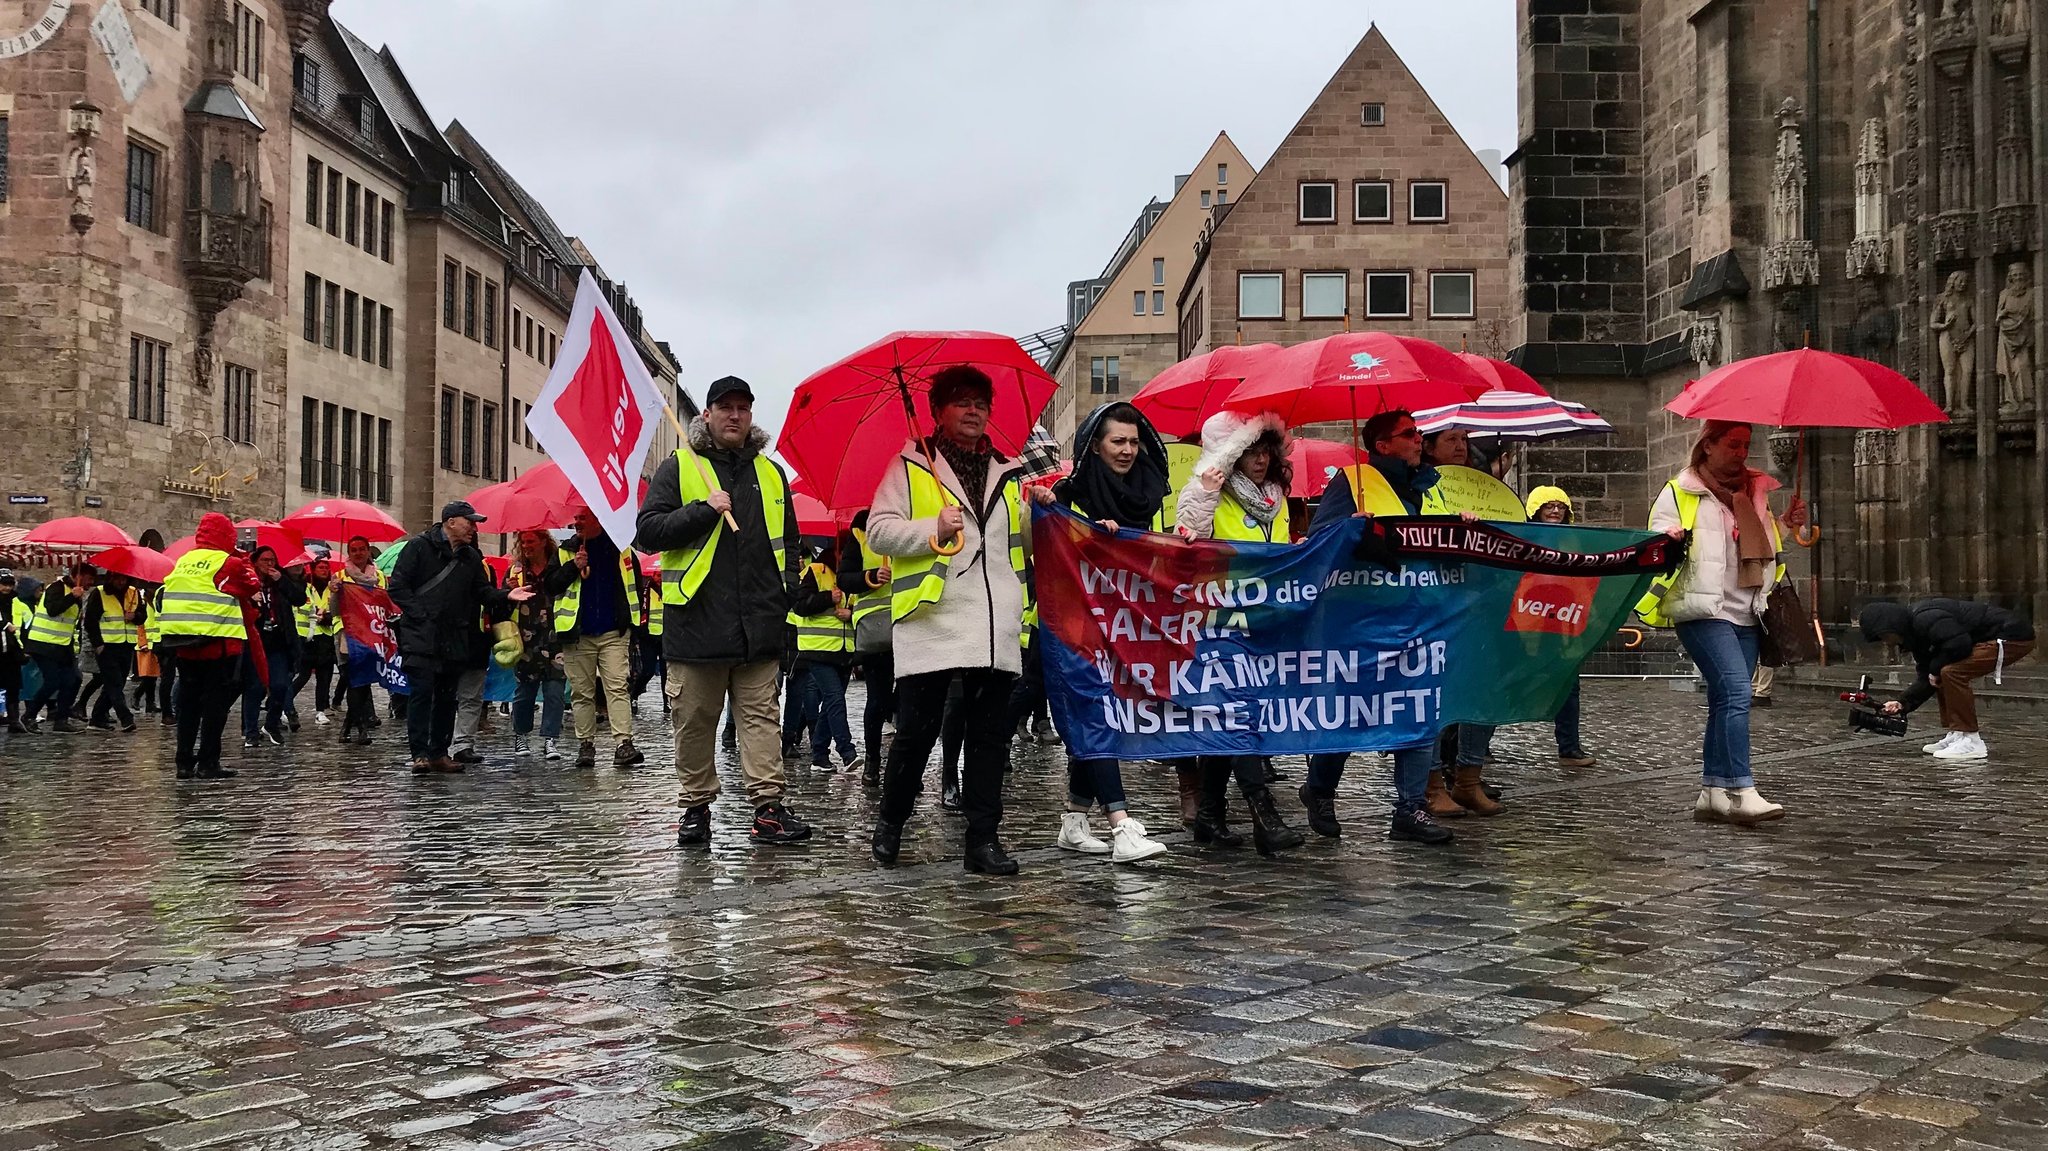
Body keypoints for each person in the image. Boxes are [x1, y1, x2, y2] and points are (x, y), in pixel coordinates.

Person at [867, 365, 1032, 875]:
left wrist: (1037, 507)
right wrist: (929, 528)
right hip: (931, 618)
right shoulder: (911, 466)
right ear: (938, 412)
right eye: (961, 401)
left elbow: (1015, 543)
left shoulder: (1008, 472)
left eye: (981, 402)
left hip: (992, 624)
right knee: (916, 733)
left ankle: (982, 840)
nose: (973, 410)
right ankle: (891, 822)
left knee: (989, 739)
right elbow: (879, 533)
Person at [636, 375, 811, 846]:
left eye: (744, 407)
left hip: (759, 624)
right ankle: (695, 809)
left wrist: (786, 592)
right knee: (694, 722)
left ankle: (768, 808)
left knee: (761, 719)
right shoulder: (680, 466)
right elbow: (648, 531)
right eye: (726, 407)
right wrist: (702, 509)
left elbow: (790, 542)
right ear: (707, 414)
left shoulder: (770, 473)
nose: (735, 415)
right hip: (696, 624)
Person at [1299, 410, 1455, 845]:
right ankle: (1320, 790)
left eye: (1419, 432)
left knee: (1419, 707)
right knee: (1350, 710)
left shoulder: (1428, 486)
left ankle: (1410, 808)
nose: (1419, 439)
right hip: (1359, 618)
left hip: (1414, 612)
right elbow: (1320, 539)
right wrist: (1354, 529)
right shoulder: (1353, 481)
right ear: (1382, 445)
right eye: (1409, 434)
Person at [1640, 420, 1806, 825]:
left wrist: (1784, 522)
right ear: (1708, 445)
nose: (1740, 453)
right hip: (1701, 607)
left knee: (1722, 698)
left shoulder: (1755, 491)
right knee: (1735, 691)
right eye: (1732, 444)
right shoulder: (1681, 490)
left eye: (1746, 445)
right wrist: (1671, 538)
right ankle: (1741, 787)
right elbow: (1654, 540)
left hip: (1747, 608)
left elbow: (1763, 547)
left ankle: (1713, 791)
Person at [1175, 409, 1308, 855]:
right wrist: (1205, 494)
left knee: (1231, 715)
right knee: (1237, 715)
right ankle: (1262, 811)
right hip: (1220, 621)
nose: (1260, 460)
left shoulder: (1277, 498)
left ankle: (1210, 814)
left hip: (1265, 621)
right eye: (1249, 451)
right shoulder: (1212, 491)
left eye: (1265, 451)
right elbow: (1189, 538)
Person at [1043, 402, 1171, 863]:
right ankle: (1121, 824)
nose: (1128, 450)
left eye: (1134, 442)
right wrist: (1086, 533)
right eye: (1117, 441)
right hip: (1075, 625)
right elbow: (1046, 545)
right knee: (1096, 712)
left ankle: (1076, 820)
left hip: (1124, 624)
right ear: (1094, 445)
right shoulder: (1068, 493)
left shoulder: (1149, 490)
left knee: (1095, 713)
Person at [387, 501, 532, 773]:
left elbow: (482, 592)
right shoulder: (419, 547)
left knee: (446, 696)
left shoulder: (471, 557)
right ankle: (419, 753)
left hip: (454, 636)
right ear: (451, 522)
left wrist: (506, 595)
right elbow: (398, 587)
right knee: (421, 693)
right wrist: (422, 615)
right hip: (421, 635)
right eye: (470, 522)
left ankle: (439, 753)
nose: (474, 528)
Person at [1417, 427, 1503, 818]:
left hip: (1477, 601)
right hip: (1433, 604)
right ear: (1429, 446)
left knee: (1482, 689)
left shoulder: (1482, 484)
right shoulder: (1418, 486)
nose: (1460, 446)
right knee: (1436, 696)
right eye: (1450, 438)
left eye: (1464, 438)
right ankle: (1432, 782)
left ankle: (1469, 778)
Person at [1861, 599, 2035, 761]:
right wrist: (1902, 703)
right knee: (1942, 673)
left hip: (2012, 635)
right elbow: (1927, 676)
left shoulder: (1925, 618)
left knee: (1951, 671)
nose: (1887, 643)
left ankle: (1971, 740)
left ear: (1891, 625)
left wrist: (1935, 669)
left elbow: (1959, 644)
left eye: (1884, 636)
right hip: (1991, 638)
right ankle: (1957, 734)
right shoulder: (1915, 636)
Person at [156, 513, 261, 779]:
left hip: (184, 643)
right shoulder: (227, 562)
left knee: (189, 704)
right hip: (219, 644)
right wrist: (244, 558)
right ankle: (208, 762)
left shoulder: (184, 560)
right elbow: (252, 585)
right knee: (215, 707)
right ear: (227, 536)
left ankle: (183, 761)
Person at [556, 507, 647, 769]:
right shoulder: (566, 551)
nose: (576, 522)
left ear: (598, 518)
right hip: (577, 633)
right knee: (582, 693)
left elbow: (635, 587)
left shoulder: (621, 549)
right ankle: (586, 745)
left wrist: (632, 627)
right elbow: (552, 584)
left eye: (582, 517)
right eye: (576, 518)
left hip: (613, 632)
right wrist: (573, 567)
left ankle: (623, 743)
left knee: (617, 687)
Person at [1527, 486, 1597, 769]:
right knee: (1510, 681)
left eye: (1560, 506)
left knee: (1568, 685)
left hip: (1563, 623)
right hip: (1528, 623)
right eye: (1549, 506)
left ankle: (1569, 748)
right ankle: (1474, 748)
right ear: (1536, 510)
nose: (1555, 510)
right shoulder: (1522, 538)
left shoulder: (1573, 540)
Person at [787, 539, 860, 771]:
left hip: (844, 651)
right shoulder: (814, 571)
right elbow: (800, 605)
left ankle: (819, 754)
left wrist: (852, 613)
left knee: (831, 703)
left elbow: (859, 605)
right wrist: (828, 598)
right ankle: (846, 751)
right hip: (817, 650)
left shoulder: (852, 576)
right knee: (835, 698)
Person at [842, 513, 896, 787]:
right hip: (876, 629)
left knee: (910, 701)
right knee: (878, 699)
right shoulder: (860, 533)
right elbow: (845, 579)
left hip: (913, 620)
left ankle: (904, 765)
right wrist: (871, 576)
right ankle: (872, 761)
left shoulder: (914, 520)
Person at [506, 530, 568, 760]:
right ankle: (520, 734)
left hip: (555, 637)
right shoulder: (516, 571)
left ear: (543, 541)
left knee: (555, 691)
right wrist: (508, 591)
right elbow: (502, 604)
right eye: (522, 542)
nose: (526, 546)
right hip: (526, 639)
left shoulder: (558, 566)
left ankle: (550, 739)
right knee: (524, 691)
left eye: (530, 541)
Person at [239, 547, 304, 748]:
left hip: (279, 640)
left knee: (280, 685)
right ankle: (250, 731)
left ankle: (271, 723)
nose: (269, 564)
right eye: (265, 560)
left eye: (273, 560)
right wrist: (251, 596)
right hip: (256, 639)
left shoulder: (281, 580)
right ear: (256, 561)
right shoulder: (247, 580)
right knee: (255, 687)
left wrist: (281, 581)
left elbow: (299, 598)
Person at [22, 563, 97, 734]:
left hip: (61, 646)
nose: (91, 583)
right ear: (78, 575)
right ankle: (29, 715)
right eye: (89, 579)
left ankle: (61, 719)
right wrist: (72, 597)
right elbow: (53, 610)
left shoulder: (77, 593)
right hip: (43, 644)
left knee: (74, 679)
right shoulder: (56, 587)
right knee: (53, 681)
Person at [334, 536, 385, 745]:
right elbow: (335, 610)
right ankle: (361, 727)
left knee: (362, 682)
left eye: (362, 549)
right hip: (348, 636)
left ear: (368, 551)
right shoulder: (340, 576)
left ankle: (348, 726)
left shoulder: (380, 577)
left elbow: (384, 602)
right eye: (353, 550)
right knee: (355, 680)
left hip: (371, 634)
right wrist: (335, 592)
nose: (358, 553)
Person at [83, 572, 142, 732]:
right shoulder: (100, 593)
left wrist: (135, 616)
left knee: (117, 683)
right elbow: (90, 621)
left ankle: (96, 718)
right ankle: (125, 718)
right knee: (114, 683)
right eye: (117, 578)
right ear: (110, 578)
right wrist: (98, 643)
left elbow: (142, 616)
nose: (121, 582)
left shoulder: (133, 592)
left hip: (127, 645)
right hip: (107, 646)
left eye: (124, 578)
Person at [290, 558, 341, 727]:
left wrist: (325, 616)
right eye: (320, 567)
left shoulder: (332, 588)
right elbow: (300, 606)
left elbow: (337, 608)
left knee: (324, 675)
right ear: (313, 569)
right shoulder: (305, 586)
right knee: (303, 675)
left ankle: (321, 709)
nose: (324, 570)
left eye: (326, 567)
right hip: (308, 636)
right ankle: (285, 702)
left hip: (326, 635)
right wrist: (314, 613)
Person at [1, 570, 28, 733]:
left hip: (11, 650)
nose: (7, 588)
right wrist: (5, 625)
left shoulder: (16, 600)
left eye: (10, 584)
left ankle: (14, 720)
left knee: (13, 685)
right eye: (4, 584)